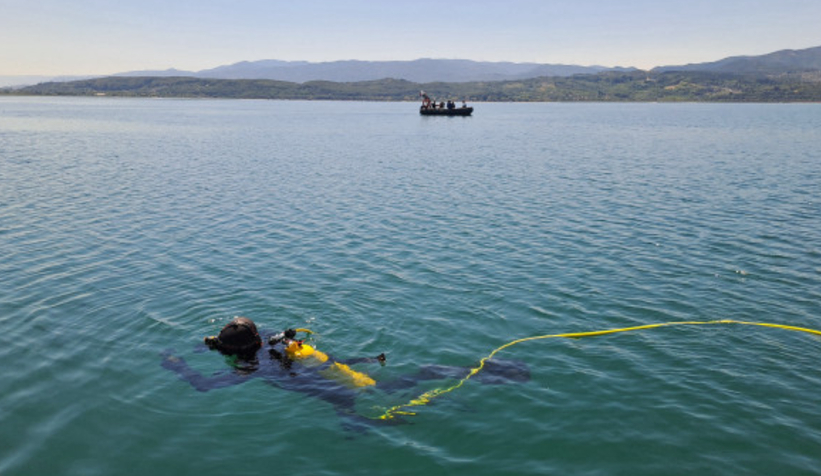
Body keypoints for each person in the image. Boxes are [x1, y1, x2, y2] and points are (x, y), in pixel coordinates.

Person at [162, 316, 529, 427]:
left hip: (333, 394)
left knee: (372, 412)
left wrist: (177, 365)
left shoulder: (250, 369)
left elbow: (205, 386)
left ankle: (371, 423)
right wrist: (361, 362)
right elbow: (329, 359)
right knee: (409, 380)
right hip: (342, 375)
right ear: (258, 335)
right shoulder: (280, 342)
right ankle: (482, 371)